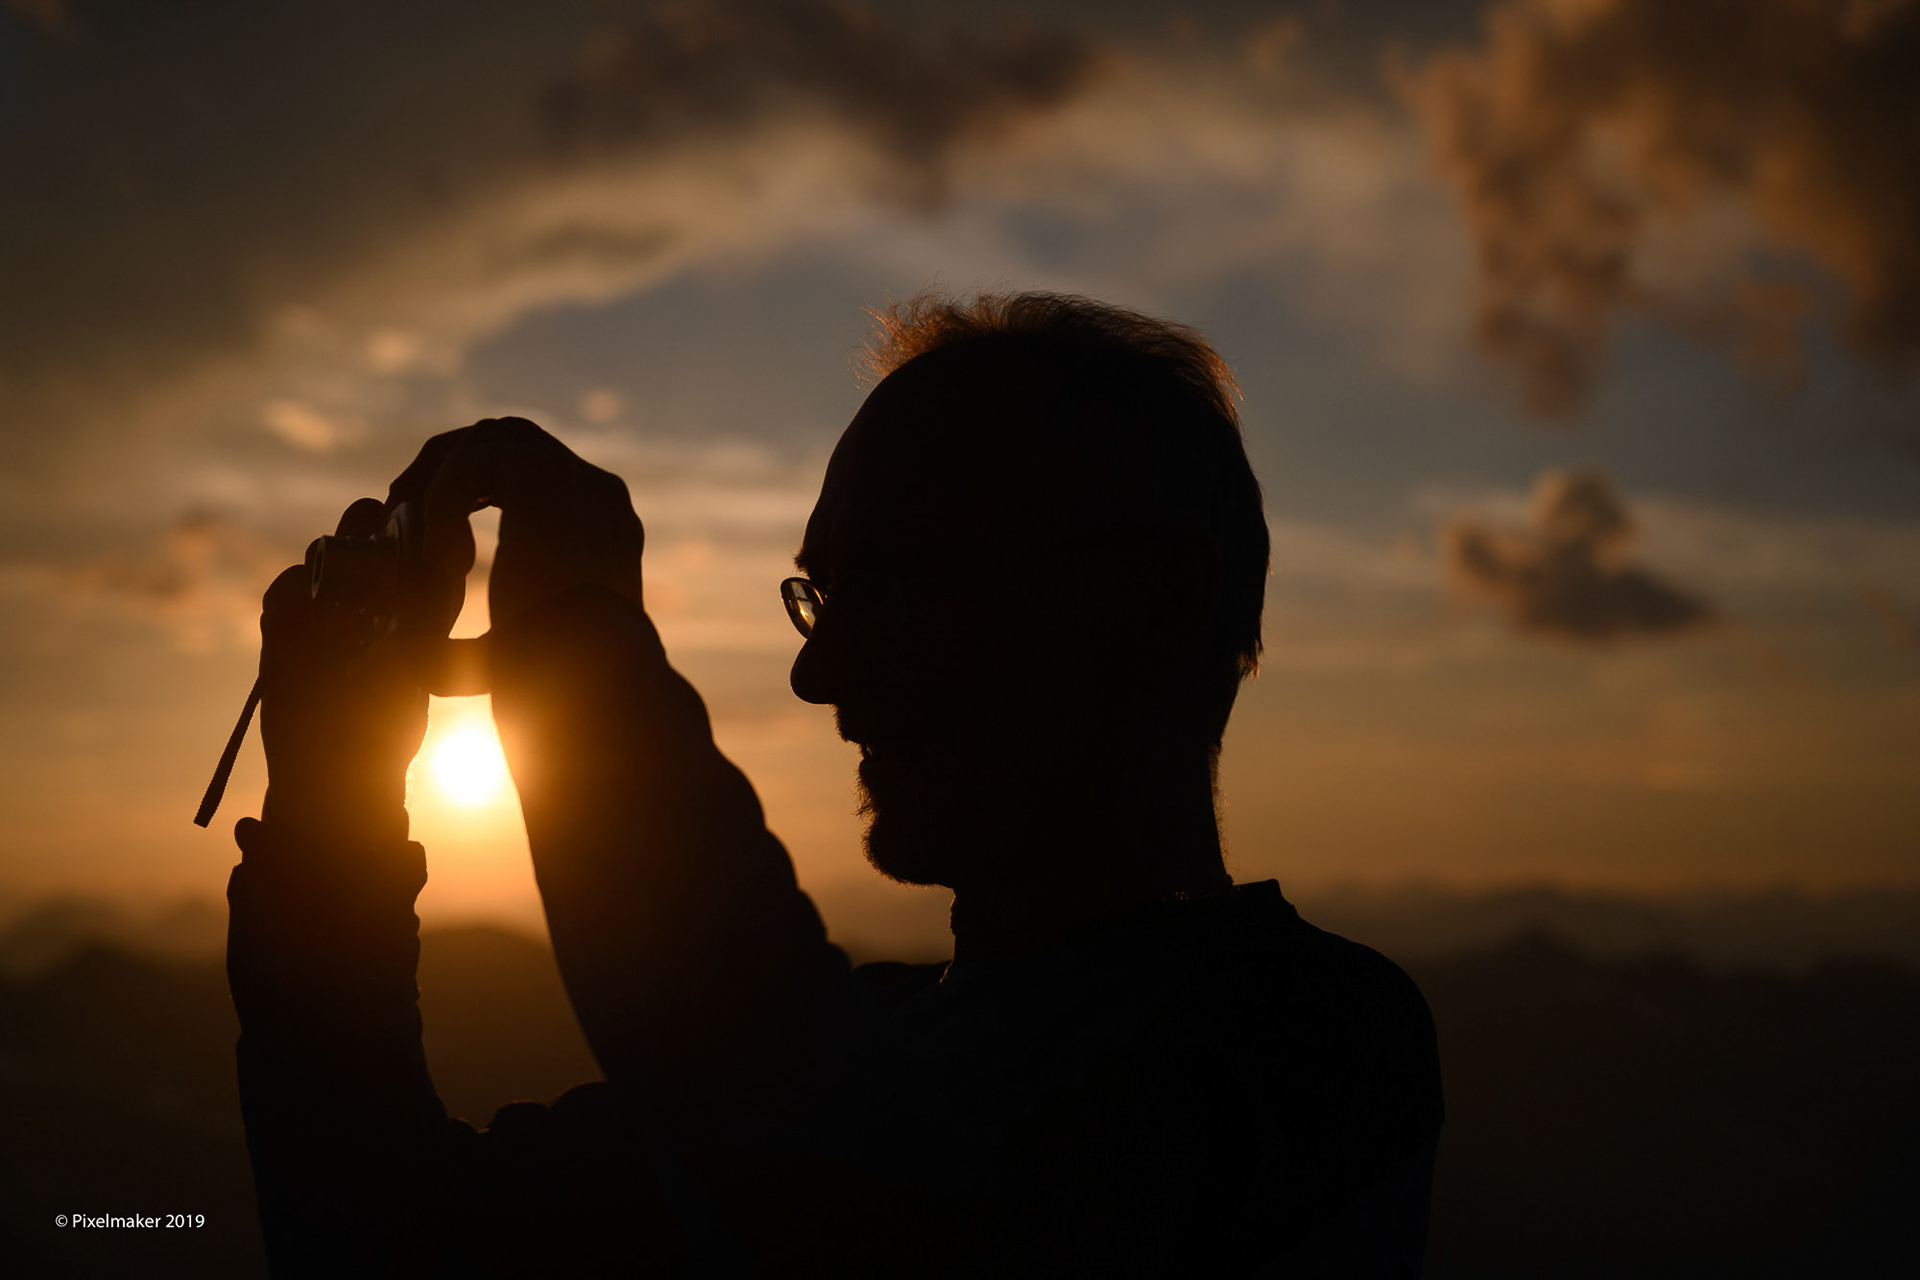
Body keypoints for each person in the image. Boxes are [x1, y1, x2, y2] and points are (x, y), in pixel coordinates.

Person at [226, 292, 1443, 1278]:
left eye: (890, 587)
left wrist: (580, 653)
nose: (818, 672)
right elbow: (395, 1241)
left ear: (1154, 604)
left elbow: (875, 1219)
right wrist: (332, 805)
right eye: (822, 597)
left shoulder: (1314, 1048)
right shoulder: (881, 1032)